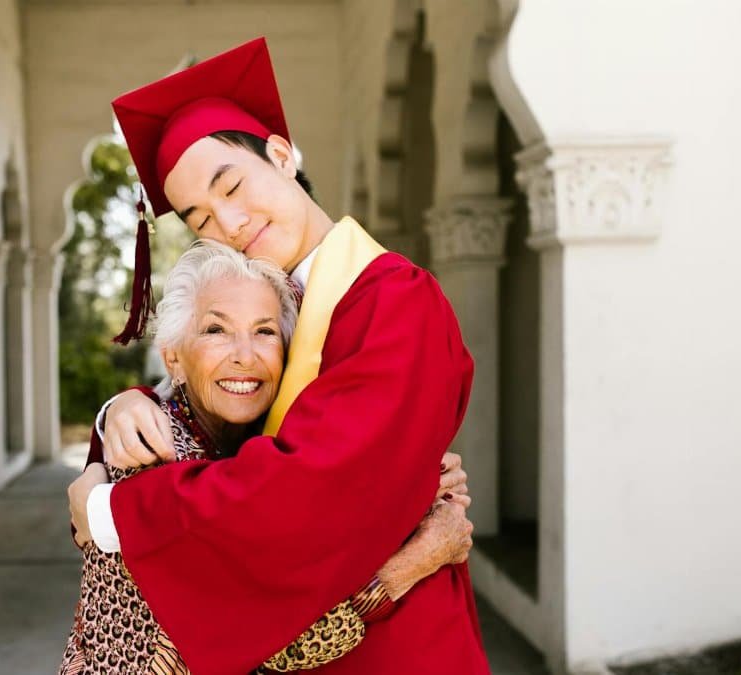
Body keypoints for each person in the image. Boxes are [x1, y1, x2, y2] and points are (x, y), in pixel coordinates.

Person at [70, 37, 489, 674]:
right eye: (200, 218)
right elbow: (203, 415)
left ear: (282, 155)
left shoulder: (393, 300)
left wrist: (115, 514)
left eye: (232, 185)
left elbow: (312, 492)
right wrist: (120, 413)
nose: (229, 222)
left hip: (393, 651)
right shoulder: (272, 305)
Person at [61, 241, 474, 674]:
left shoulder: (263, 449)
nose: (245, 355)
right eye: (216, 330)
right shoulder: (148, 450)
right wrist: (418, 560)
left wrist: (415, 480)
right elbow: (275, 642)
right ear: (174, 359)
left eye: (265, 331)